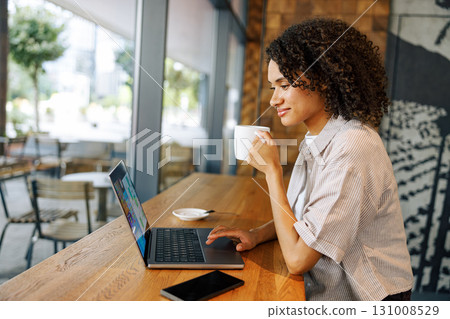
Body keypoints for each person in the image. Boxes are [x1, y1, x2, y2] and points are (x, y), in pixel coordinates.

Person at [206, 18, 414, 301]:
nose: (274, 100)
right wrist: (256, 234)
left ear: (324, 80)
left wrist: (272, 173)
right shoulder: (317, 138)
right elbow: (306, 220)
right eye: (272, 87)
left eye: (284, 84)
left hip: (371, 297)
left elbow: (297, 260)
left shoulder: (352, 147)